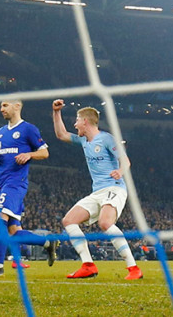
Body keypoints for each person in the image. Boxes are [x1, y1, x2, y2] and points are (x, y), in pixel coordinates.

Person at [52, 99, 142, 280]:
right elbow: (61, 134)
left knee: (105, 223)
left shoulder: (107, 139)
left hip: (114, 188)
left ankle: (133, 268)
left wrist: (120, 171)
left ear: (85, 121)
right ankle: (88, 265)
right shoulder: (84, 140)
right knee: (69, 220)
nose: (75, 124)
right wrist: (56, 112)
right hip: (97, 192)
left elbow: (126, 161)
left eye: (77, 120)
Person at [0, 98, 57, 277]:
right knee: (13, 231)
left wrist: (29, 154)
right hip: (0, 182)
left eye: (5, 105)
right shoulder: (0, 132)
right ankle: (48, 243)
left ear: (17, 106)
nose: (1, 109)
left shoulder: (28, 129)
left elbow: (44, 152)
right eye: (1, 106)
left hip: (15, 183)